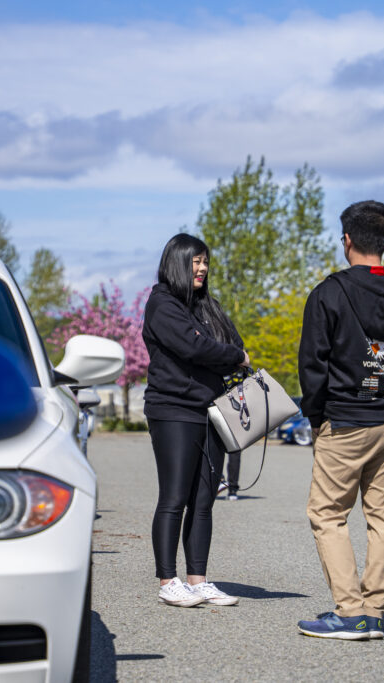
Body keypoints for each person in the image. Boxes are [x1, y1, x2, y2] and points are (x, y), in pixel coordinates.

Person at [296, 200, 384, 641]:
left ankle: (350, 610)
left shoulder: (328, 293)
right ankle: (374, 609)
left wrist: (317, 417)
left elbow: (312, 366)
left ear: (347, 240)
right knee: (383, 516)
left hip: (347, 418)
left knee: (328, 512)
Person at [142, 233, 250, 607]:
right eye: (194, 262)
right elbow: (195, 346)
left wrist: (228, 352)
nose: (202, 268)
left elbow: (230, 341)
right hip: (173, 410)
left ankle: (198, 580)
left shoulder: (206, 306)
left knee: (204, 499)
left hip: (211, 410)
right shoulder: (162, 303)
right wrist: (231, 355)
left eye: (205, 261)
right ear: (177, 263)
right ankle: (168, 580)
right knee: (174, 497)